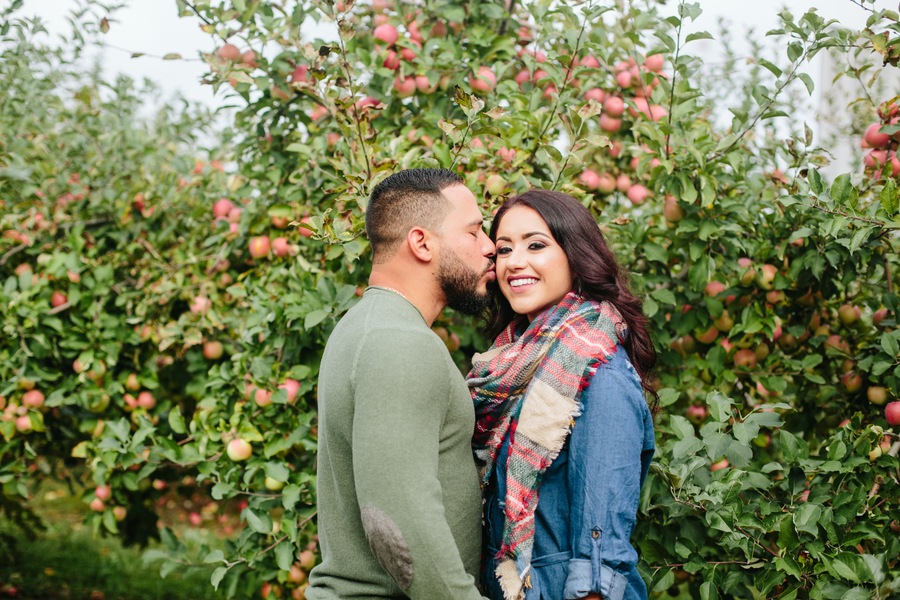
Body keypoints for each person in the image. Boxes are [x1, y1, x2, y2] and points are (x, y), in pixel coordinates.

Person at [307, 168, 495, 600]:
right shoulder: (399, 341)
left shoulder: (366, 325)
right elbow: (395, 519)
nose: (489, 249)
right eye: (474, 231)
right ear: (422, 242)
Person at [467, 190, 658, 600]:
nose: (515, 261)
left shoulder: (598, 372)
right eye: (503, 249)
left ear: (576, 255)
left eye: (536, 245)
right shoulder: (508, 368)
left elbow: (600, 559)